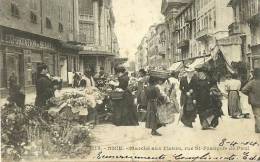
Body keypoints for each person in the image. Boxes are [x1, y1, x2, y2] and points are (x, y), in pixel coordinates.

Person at [242, 68, 260, 133]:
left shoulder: (252, 82)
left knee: (257, 115)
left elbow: (243, 90)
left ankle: (258, 129)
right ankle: (258, 128)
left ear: (254, 75)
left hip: (255, 101)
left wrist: (250, 94)